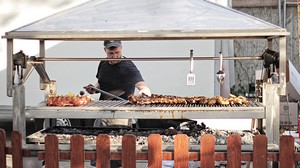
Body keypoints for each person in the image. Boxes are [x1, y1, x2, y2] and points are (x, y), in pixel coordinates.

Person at [84, 40, 151, 168]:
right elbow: (100, 81)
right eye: (111, 53)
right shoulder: (103, 64)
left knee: (116, 156)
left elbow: (144, 88)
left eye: (117, 52)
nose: (114, 56)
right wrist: (94, 88)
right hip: (102, 112)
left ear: (122, 49)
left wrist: (141, 94)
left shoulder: (128, 67)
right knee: (100, 155)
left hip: (120, 115)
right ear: (105, 51)